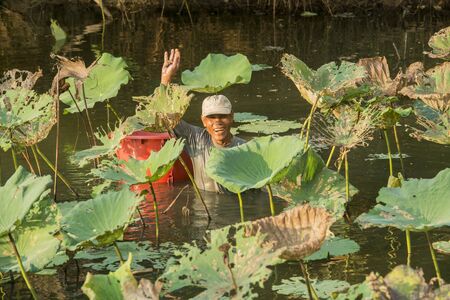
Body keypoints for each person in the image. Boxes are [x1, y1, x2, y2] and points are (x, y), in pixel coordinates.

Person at [161, 49, 246, 193]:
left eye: (223, 116)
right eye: (211, 117)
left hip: (233, 210)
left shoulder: (244, 148)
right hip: (202, 210)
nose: (217, 122)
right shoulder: (197, 139)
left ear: (231, 117)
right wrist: (166, 78)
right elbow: (166, 118)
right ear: (203, 120)